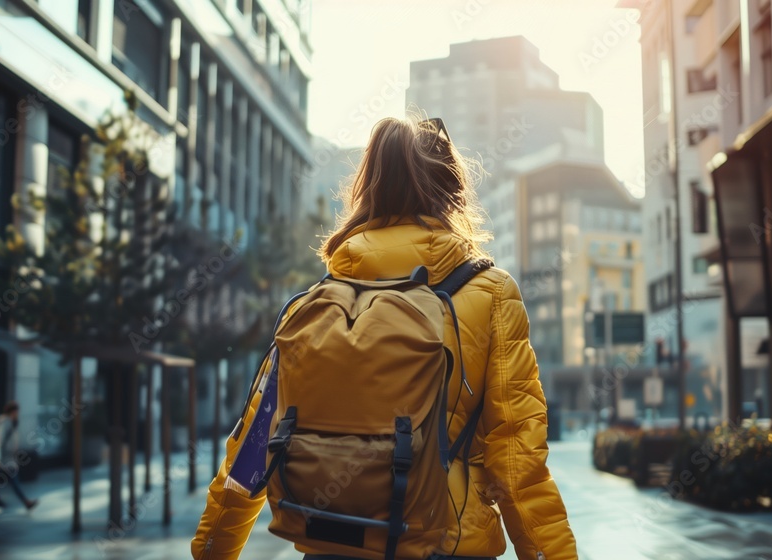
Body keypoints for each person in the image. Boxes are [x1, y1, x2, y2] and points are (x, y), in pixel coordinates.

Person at [192, 117, 578, 559]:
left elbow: (252, 449)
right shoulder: (490, 294)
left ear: (366, 189)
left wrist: (211, 551)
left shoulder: (313, 305)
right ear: (451, 192)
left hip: (332, 542)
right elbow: (517, 461)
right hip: (445, 543)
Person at [0, 401, 38, 513]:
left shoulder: (10, 422)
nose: (18, 414)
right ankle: (26, 502)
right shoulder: (5, 422)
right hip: (3, 459)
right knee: (6, 480)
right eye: (17, 411)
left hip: (7, 459)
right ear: (13, 411)